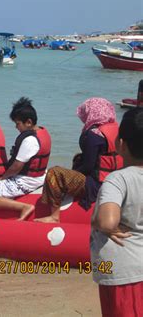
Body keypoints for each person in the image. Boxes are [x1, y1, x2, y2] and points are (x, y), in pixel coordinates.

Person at [90, 107, 143, 317]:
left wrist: (97, 222)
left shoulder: (118, 179)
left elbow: (107, 222)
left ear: (120, 143)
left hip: (123, 273)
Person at [35, 97, 123, 223]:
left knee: (55, 173)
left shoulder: (93, 135)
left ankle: (54, 216)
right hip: (116, 180)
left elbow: (87, 167)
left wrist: (72, 175)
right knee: (78, 158)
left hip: (97, 185)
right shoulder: (116, 129)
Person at [0, 98, 51, 221]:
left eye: (18, 123)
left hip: (27, 180)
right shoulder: (43, 132)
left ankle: (24, 207)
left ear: (28, 122)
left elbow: (16, 166)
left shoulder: (30, 140)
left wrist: (2, 179)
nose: (16, 127)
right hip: (40, 177)